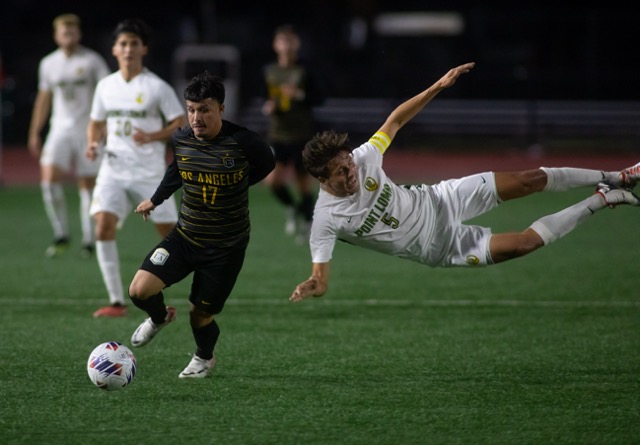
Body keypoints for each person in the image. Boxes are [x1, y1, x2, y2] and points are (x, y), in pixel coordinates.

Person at [289, 62, 640, 303]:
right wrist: (312, 286)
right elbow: (321, 278)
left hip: (441, 199)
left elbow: (394, 121)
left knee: (528, 179)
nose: (352, 172)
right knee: (523, 245)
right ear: (322, 179)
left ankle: (616, 176)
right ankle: (602, 200)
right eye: (342, 172)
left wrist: (438, 86)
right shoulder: (326, 220)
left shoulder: (364, 158)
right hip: (441, 247)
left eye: (349, 163)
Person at [127, 71, 275, 378]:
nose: (196, 117)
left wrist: (237, 185)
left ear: (221, 109)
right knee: (139, 290)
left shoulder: (244, 142)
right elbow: (176, 171)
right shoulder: (181, 138)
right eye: (192, 109)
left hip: (225, 248)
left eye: (204, 109)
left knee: (201, 316)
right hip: (185, 237)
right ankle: (159, 316)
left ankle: (204, 357)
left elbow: (267, 164)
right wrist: (155, 200)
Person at [86, 18, 186, 318]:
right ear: (115, 50)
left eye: (133, 43)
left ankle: (173, 290)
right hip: (113, 168)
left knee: (171, 235)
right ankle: (116, 301)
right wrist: (92, 142)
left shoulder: (156, 86)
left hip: (150, 172)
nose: (128, 49)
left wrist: (153, 136)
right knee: (102, 224)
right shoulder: (106, 86)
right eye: (123, 44)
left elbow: (179, 122)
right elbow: (96, 122)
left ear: (143, 48)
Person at [27, 13, 111, 258]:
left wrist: (104, 126)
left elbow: (107, 92)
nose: (69, 36)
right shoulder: (48, 64)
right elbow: (44, 99)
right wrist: (34, 132)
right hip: (59, 129)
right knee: (49, 181)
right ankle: (61, 233)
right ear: (56, 36)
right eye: (64, 32)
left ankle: (88, 240)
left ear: (79, 34)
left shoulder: (93, 60)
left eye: (73, 32)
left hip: (88, 129)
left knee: (87, 185)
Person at [262, 24, 325, 243]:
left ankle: (308, 224)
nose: (286, 46)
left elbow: (319, 98)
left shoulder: (304, 70)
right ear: (275, 45)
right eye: (282, 41)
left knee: (302, 183)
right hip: (278, 134)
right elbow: (266, 96)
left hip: (302, 135)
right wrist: (269, 106)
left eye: (290, 41)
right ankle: (292, 208)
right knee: (272, 181)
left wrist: (299, 94)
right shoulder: (270, 71)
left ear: (296, 44)